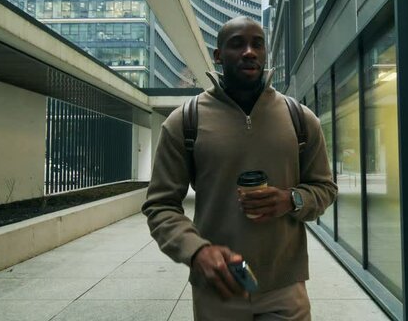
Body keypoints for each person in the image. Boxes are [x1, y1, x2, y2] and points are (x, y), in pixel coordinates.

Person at [142, 16, 337, 320]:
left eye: (257, 44)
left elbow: (324, 188)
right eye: (237, 44)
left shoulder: (300, 118)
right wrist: (196, 251)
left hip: (285, 287)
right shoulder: (185, 122)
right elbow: (160, 205)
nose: (249, 51)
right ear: (218, 56)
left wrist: (291, 199)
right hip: (218, 288)